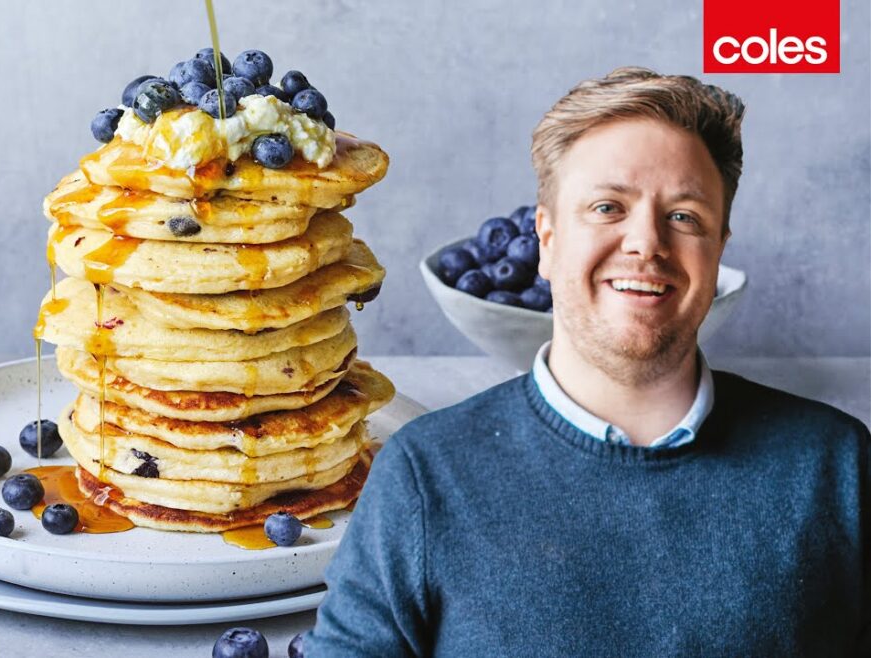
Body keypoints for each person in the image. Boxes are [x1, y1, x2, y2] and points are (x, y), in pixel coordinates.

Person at [305, 67, 869, 657]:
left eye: (684, 216)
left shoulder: (836, 466)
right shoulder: (424, 474)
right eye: (607, 207)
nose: (646, 242)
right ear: (546, 240)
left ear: (718, 248)